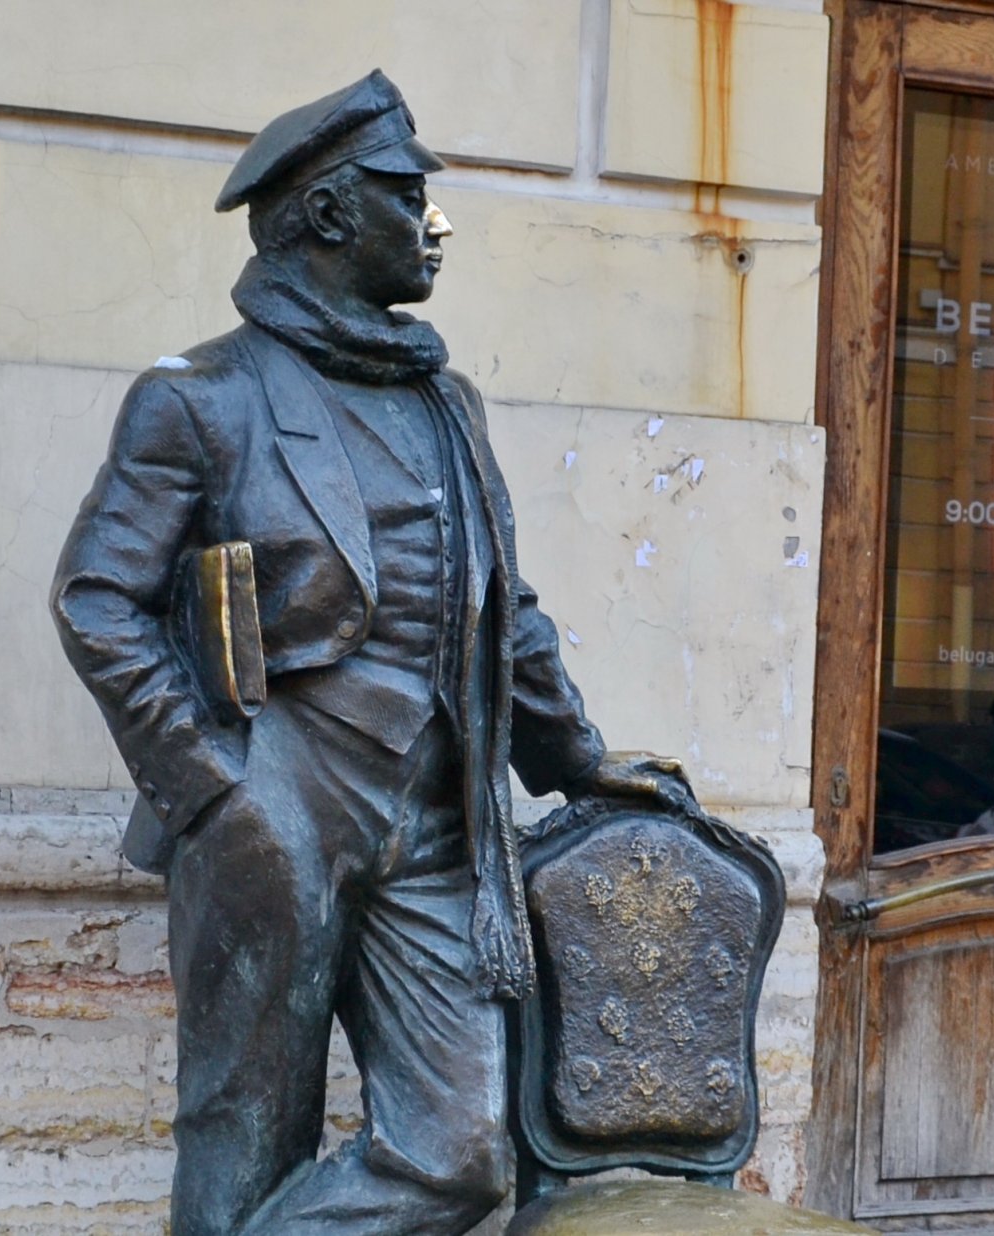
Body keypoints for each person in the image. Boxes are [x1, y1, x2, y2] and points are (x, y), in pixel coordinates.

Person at [50, 70, 688, 1235]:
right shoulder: (202, 399)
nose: (435, 223)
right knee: (244, 1132)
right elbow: (98, 601)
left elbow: (507, 610)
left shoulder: (449, 403)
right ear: (332, 215)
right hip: (279, 799)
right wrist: (215, 786)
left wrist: (578, 758)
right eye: (408, 197)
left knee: (460, 1158)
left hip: (442, 822)